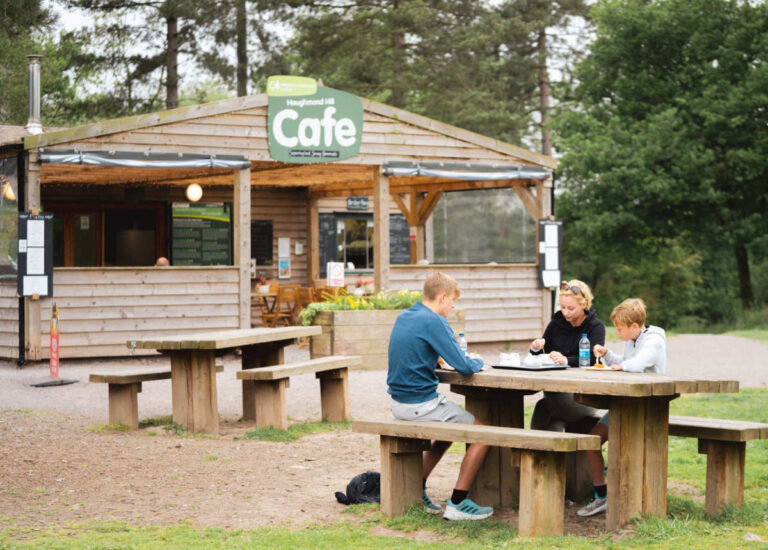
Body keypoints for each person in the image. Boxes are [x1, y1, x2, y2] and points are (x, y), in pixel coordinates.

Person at [387, 272, 492, 521]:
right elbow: (465, 366)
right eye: (453, 300)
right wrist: (478, 361)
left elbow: (415, 353)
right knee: (483, 434)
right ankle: (458, 502)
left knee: (447, 435)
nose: (453, 306)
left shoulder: (405, 316)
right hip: (420, 404)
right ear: (442, 297)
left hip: (398, 404)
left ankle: (416, 488)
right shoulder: (434, 320)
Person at [577, 298, 667, 517]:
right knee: (593, 441)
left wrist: (619, 366)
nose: (617, 332)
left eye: (620, 329)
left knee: (622, 449)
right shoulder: (633, 339)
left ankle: (630, 501)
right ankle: (601, 495)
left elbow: (636, 365)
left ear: (634, 327)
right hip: (625, 405)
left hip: (647, 408)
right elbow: (625, 361)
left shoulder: (653, 340)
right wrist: (607, 355)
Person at [530, 280, 606, 432]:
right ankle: (544, 453)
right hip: (555, 393)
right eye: (563, 307)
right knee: (553, 422)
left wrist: (565, 360)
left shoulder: (595, 327)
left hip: (584, 397)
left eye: (571, 308)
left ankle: (533, 452)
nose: (565, 312)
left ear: (584, 304)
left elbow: (592, 359)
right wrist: (536, 348)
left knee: (543, 406)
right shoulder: (555, 324)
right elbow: (543, 355)